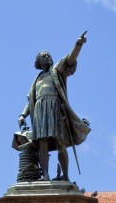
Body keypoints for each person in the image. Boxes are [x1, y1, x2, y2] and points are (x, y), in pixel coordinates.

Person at [18, 32, 91, 182]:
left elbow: (70, 59)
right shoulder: (37, 79)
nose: (48, 57)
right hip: (39, 109)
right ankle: (45, 175)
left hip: (54, 108)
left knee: (60, 142)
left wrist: (78, 45)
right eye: (44, 56)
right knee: (42, 143)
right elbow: (30, 100)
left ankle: (65, 175)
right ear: (39, 62)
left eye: (48, 55)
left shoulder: (57, 71)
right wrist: (22, 115)